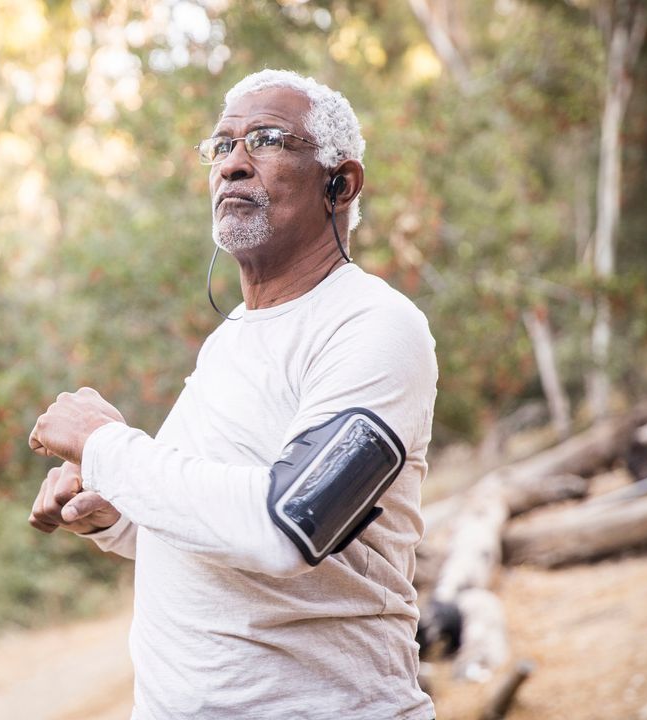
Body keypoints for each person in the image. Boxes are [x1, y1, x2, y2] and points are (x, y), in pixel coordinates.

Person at [27, 69, 438, 719]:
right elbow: (217, 533)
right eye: (220, 147)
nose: (232, 166)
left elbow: (290, 524)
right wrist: (114, 512)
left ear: (341, 182)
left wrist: (105, 444)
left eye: (268, 140)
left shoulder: (374, 326)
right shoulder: (230, 341)